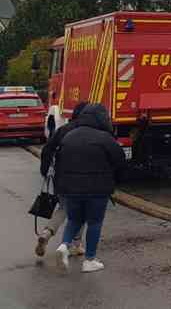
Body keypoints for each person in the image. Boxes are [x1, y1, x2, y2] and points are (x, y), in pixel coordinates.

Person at [48, 103, 125, 272]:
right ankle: (89, 260)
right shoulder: (105, 138)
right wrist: (115, 181)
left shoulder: (69, 136)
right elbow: (120, 160)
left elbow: (59, 161)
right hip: (98, 189)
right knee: (94, 222)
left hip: (71, 188)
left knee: (74, 220)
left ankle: (64, 246)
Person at [35, 101, 89, 258]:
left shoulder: (63, 130)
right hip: (82, 177)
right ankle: (76, 245)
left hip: (62, 177)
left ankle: (46, 233)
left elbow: (47, 149)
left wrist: (44, 170)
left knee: (64, 208)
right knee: (81, 211)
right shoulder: (90, 131)